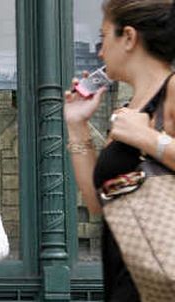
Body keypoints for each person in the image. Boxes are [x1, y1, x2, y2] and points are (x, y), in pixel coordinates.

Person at [64, 0, 175, 301]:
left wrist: (149, 139)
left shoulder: (172, 91)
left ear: (128, 37)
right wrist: (76, 125)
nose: (99, 53)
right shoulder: (129, 111)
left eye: (103, 40)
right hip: (129, 280)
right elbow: (100, 202)